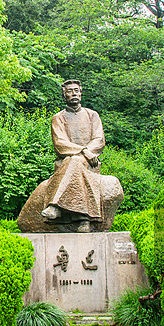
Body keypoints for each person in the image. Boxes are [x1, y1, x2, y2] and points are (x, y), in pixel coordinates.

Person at [40, 79, 105, 233]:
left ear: (81, 93)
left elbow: (99, 139)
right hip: (66, 160)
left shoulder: (92, 115)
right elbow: (60, 144)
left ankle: (55, 206)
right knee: (73, 160)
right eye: (70, 91)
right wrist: (83, 150)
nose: (74, 94)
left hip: (90, 161)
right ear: (64, 96)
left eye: (76, 90)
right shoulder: (58, 118)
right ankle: (83, 219)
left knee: (75, 161)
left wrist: (88, 152)